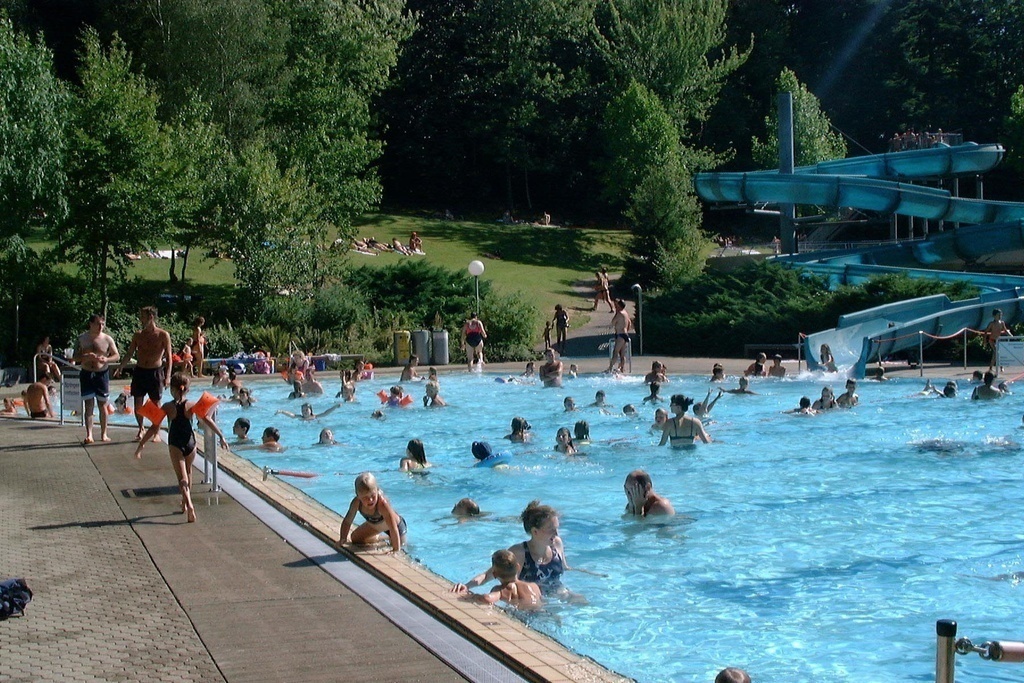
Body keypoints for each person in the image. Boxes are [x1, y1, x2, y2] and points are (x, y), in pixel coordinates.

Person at [133, 372, 229, 523]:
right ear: (187, 389)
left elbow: (154, 427)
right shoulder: (192, 405)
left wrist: (141, 444)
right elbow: (207, 420)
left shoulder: (167, 407)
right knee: (188, 473)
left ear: (172, 389)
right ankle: (184, 503)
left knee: (181, 478)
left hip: (175, 443)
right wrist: (221, 436)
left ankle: (189, 505)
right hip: (191, 442)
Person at [452, 500, 572, 597]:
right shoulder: (519, 553)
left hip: (559, 596)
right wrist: (467, 586)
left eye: (557, 528)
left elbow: (565, 568)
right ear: (535, 531)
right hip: (532, 604)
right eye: (551, 529)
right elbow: (488, 575)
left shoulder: (557, 544)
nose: (557, 533)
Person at [115, 306, 174, 441]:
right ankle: (141, 428)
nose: (140, 319)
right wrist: (121, 367)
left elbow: (169, 356)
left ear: (151, 317)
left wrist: (168, 376)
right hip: (140, 371)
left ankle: (156, 432)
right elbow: (130, 353)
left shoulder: (163, 335)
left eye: (142, 316)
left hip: (155, 372)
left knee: (156, 403)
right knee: (138, 403)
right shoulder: (138, 335)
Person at [73, 314, 120, 444]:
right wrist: (85, 357)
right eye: (98, 324)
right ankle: (89, 434)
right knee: (88, 405)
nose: (101, 327)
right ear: (91, 324)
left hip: (101, 373)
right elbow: (74, 356)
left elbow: (116, 355)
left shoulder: (107, 339)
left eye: (102, 324)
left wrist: (106, 359)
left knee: (102, 405)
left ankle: (104, 433)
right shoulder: (82, 339)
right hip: (87, 373)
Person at [338, 472, 405, 553]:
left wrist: (396, 550)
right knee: (355, 538)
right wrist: (343, 538)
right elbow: (347, 521)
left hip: (396, 527)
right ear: (358, 496)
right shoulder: (356, 503)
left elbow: (393, 527)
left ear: (377, 490)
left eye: (373, 495)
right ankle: (383, 538)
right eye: (365, 497)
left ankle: (391, 538)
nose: (370, 500)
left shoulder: (382, 504)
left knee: (401, 547)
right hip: (376, 525)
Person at [462, 549, 542, 610]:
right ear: (518, 567)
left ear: (494, 574)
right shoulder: (534, 586)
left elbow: (488, 598)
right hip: (537, 612)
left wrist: (473, 596)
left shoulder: (500, 590)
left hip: (519, 614)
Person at [606, 299, 633, 374]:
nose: (615, 306)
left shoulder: (619, 314)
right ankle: (622, 368)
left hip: (620, 335)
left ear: (619, 306)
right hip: (625, 334)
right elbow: (629, 323)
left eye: (617, 305)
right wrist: (626, 330)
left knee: (615, 352)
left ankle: (610, 368)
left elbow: (613, 322)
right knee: (622, 354)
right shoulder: (625, 313)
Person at [276, 402, 340, 420]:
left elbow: (325, 413)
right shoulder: (300, 417)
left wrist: (335, 407)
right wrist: (282, 411)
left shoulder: (315, 417)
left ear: (311, 410)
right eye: (303, 410)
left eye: (306, 410)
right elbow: (292, 415)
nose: (305, 412)